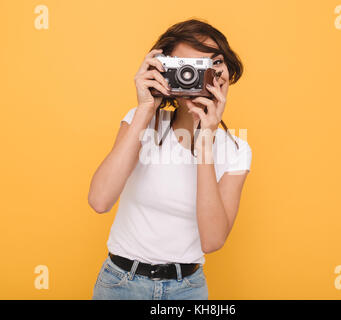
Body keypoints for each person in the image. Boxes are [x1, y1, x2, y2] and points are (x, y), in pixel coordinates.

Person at [89, 18, 252, 300]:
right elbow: (99, 200)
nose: (196, 76)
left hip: (187, 289)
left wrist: (205, 138)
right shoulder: (141, 123)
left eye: (209, 65)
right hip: (120, 283)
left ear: (224, 73)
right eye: (186, 68)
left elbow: (212, 240)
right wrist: (144, 109)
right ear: (163, 72)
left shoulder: (236, 150)